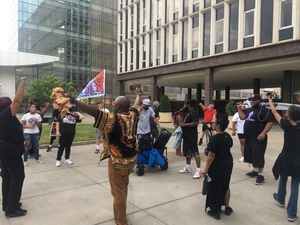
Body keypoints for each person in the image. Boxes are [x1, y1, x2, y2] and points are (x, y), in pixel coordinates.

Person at [67, 87, 143, 225]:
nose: (113, 106)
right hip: (131, 161)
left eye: (115, 104)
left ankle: (121, 222)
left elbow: (95, 112)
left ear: (118, 106)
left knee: (118, 195)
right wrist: (138, 94)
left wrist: (74, 100)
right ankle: (122, 215)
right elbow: (137, 104)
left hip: (117, 163)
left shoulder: (113, 120)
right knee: (123, 189)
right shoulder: (134, 115)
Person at [268, 94, 300, 222]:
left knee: (283, 177)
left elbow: (274, 112)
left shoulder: (286, 125)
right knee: (295, 185)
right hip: (299, 159)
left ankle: (280, 199)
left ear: (290, 115)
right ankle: (292, 214)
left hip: (286, 157)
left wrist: (270, 101)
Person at [0, 77, 27, 217]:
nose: (14, 106)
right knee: (18, 177)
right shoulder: (6, 114)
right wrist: (22, 84)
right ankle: (12, 209)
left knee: (8, 177)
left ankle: (8, 204)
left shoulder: (4, 116)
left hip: (5, 151)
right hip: (9, 151)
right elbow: (17, 101)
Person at [236, 94, 273, 185]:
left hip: (258, 138)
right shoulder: (250, 109)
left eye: (254, 100)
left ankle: (260, 175)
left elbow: (270, 122)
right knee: (251, 154)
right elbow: (242, 117)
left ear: (259, 100)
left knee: (258, 155)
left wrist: (263, 133)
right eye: (251, 100)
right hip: (249, 137)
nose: (252, 101)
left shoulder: (264, 110)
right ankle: (255, 171)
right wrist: (239, 108)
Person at [202, 114, 233, 220]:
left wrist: (205, 170)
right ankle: (227, 207)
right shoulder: (227, 136)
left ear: (219, 126)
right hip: (228, 164)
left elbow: (211, 155)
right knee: (225, 185)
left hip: (217, 166)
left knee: (213, 187)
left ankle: (215, 211)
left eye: (214, 122)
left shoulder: (215, 139)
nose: (212, 124)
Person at [178, 99, 203, 179]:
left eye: (185, 104)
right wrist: (181, 115)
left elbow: (195, 123)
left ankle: (199, 170)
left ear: (189, 105)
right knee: (187, 151)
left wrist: (185, 125)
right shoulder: (187, 113)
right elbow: (182, 122)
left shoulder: (194, 113)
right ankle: (188, 167)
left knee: (195, 151)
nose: (184, 106)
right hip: (186, 135)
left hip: (192, 136)